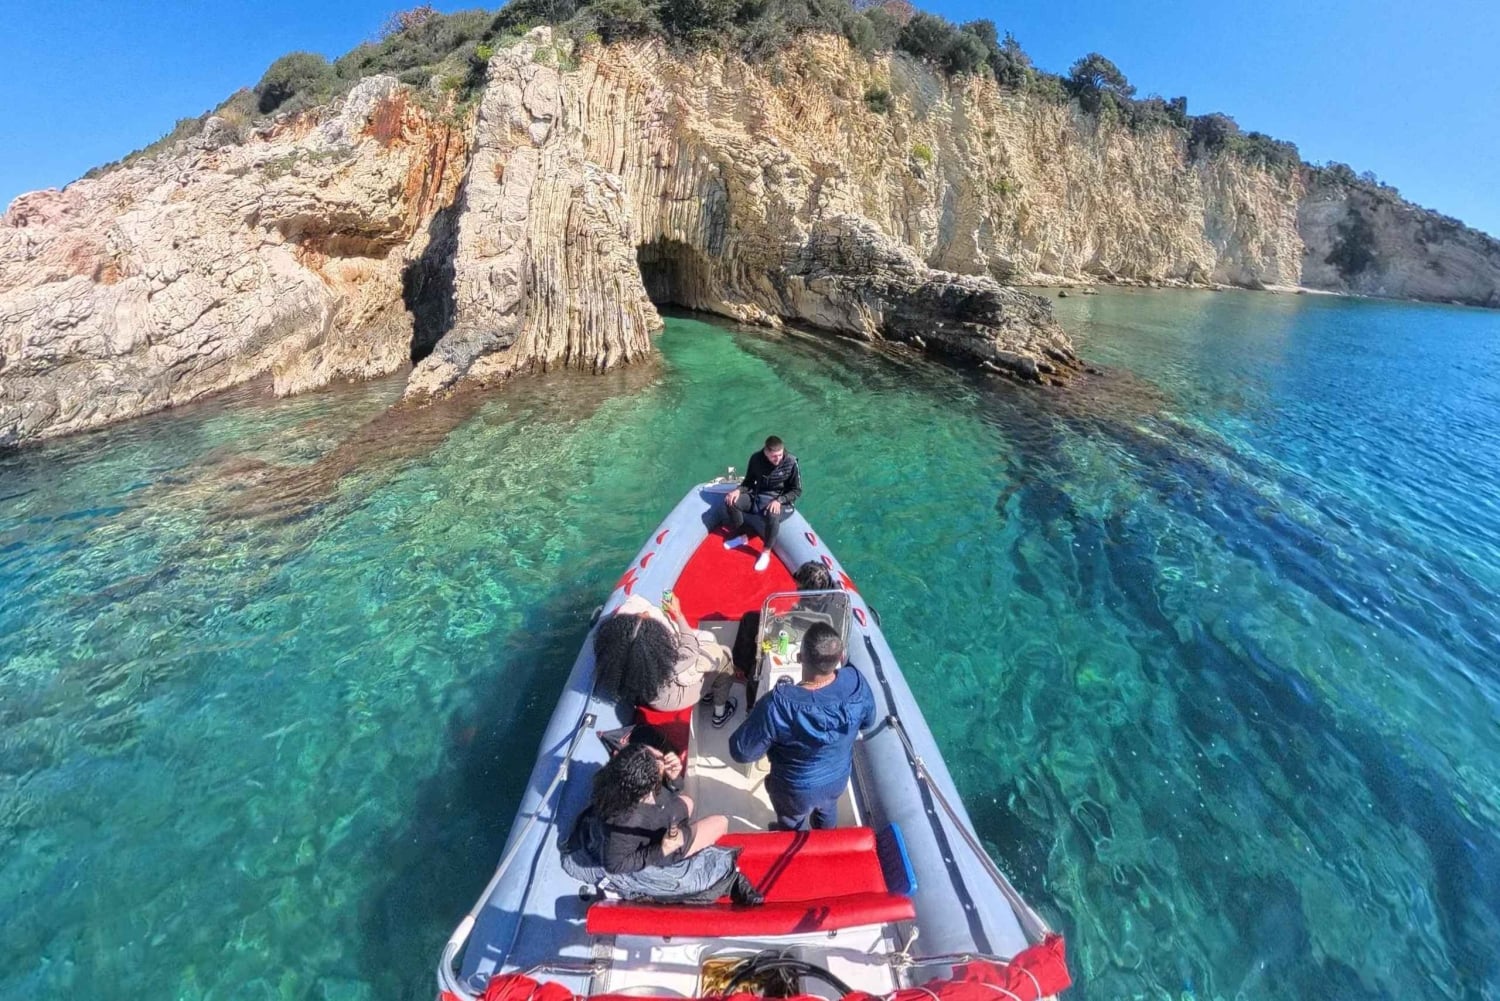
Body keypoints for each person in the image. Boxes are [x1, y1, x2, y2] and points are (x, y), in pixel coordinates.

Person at [561, 742, 763, 905]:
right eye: (658, 763)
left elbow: (671, 794)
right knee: (720, 823)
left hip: (662, 823)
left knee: (688, 802)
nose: (662, 759)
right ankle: (727, 878)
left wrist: (674, 780)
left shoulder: (616, 786)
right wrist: (662, 849)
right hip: (660, 846)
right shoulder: (624, 824)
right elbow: (614, 864)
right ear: (646, 787)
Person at [729, 622, 876, 830]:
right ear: (840, 658)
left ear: (799, 658)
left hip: (794, 790)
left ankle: (788, 833)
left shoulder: (777, 704)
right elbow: (869, 721)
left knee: (790, 821)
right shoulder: (856, 683)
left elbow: (742, 752)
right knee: (827, 808)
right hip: (837, 778)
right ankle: (825, 835)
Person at [594, 592, 738, 726]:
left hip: (648, 695)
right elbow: (690, 649)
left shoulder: (615, 655)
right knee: (723, 656)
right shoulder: (665, 662)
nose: (644, 614)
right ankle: (720, 714)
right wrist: (678, 614)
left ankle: (707, 693)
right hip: (671, 699)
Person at [732, 560, 842, 676]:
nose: (797, 590)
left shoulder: (835, 607)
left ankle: (748, 669)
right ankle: (745, 666)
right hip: (800, 628)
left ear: (809, 590)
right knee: (753, 621)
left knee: (755, 626)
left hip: (810, 639)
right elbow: (800, 612)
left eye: (800, 588)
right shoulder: (823, 593)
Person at [722, 435, 802, 573]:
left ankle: (766, 552)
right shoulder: (756, 459)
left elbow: (797, 490)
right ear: (766, 452)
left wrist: (780, 501)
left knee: (772, 514)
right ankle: (743, 535)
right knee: (731, 501)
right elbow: (748, 482)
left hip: (782, 500)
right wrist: (738, 491)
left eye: (780, 455)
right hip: (759, 495)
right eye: (774, 456)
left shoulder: (791, 462)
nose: (778, 459)